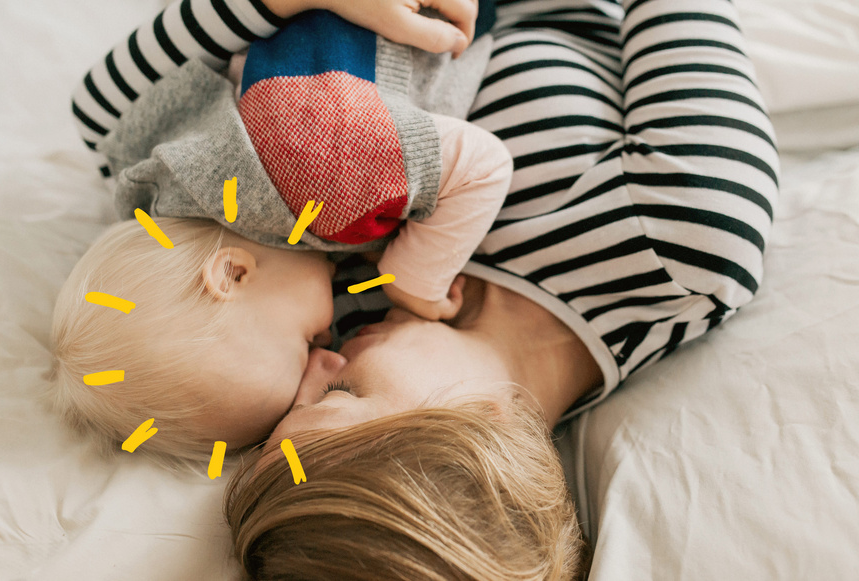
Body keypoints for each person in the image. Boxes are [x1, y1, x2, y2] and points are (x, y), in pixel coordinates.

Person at [224, 0, 780, 578]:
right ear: (481, 420)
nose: (311, 362)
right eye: (339, 392)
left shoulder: (358, 300)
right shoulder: (685, 240)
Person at [52, 0, 504, 465]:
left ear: (232, 273)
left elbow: (484, 165)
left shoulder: (320, 189)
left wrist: (417, 281)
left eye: (307, 342)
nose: (329, 348)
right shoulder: (157, 168)